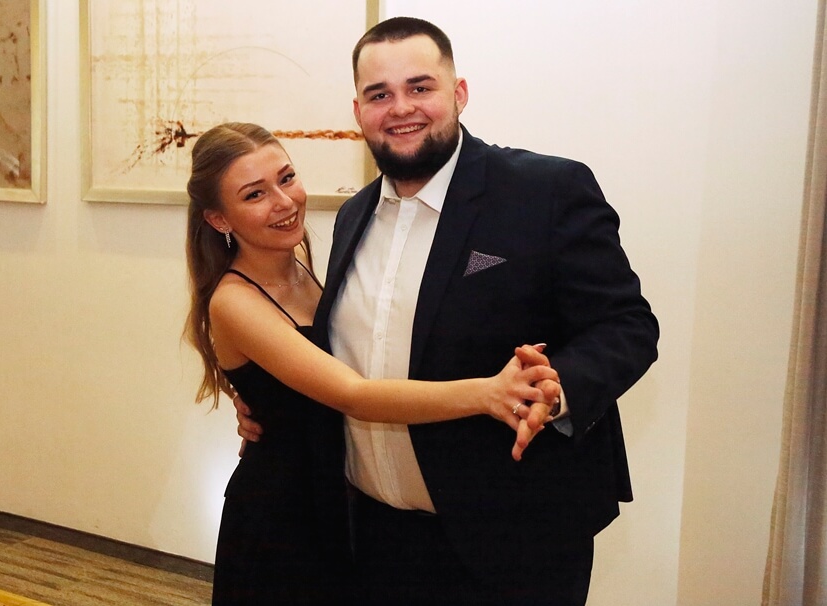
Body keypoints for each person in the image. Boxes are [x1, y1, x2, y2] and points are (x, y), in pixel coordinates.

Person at [236, 16, 660, 606]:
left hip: (514, 542)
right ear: (357, 111)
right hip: (376, 540)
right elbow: (344, 356)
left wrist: (556, 388)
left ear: (458, 93)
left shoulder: (546, 190)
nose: (400, 108)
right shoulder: (353, 216)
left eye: (420, 87)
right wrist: (266, 404)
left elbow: (627, 326)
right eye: (379, 94)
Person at [183, 121, 562, 605]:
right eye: (255, 194)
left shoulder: (303, 271)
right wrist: (489, 393)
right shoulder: (233, 301)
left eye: (287, 178)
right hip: (281, 514)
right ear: (219, 219)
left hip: (335, 500)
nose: (283, 201)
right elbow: (353, 393)